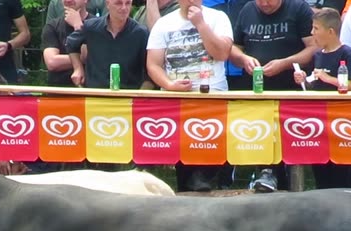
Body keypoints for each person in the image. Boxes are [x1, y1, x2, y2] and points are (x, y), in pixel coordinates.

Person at [145, 0, 233, 191]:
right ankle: (185, 191)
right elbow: (153, 64)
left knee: (211, 152)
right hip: (177, 99)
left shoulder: (218, 18)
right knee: (184, 160)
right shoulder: (164, 23)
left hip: (212, 97)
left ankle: (211, 184)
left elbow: (222, 53)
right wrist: (169, 84)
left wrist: (201, 25)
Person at [231, 0, 314, 192]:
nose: (264, 4)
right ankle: (265, 176)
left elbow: (313, 47)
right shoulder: (248, 10)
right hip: (256, 89)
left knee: (290, 140)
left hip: (290, 88)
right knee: (260, 134)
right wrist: (244, 59)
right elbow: (235, 46)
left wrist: (285, 63)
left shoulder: (298, 8)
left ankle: (294, 187)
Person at [291, 7, 351, 190]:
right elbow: (317, 84)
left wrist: (329, 78)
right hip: (320, 121)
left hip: (342, 120)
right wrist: (305, 81)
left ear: (330, 32)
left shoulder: (346, 53)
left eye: (316, 29)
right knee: (322, 170)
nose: (311, 33)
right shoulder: (317, 55)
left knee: (341, 172)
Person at [66, 0, 150, 89]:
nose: (124, 8)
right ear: (107, 4)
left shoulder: (141, 33)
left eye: (128, 3)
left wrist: (140, 95)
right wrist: (78, 68)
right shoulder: (91, 27)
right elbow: (71, 43)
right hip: (95, 94)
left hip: (128, 96)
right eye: (118, 3)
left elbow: (149, 70)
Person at [44, 0, 90, 87]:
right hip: (59, 92)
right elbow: (52, 62)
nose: (68, 0)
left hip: (91, 92)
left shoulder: (98, 25)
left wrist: (78, 26)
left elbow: (94, 57)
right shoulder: (52, 26)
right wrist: (87, 59)